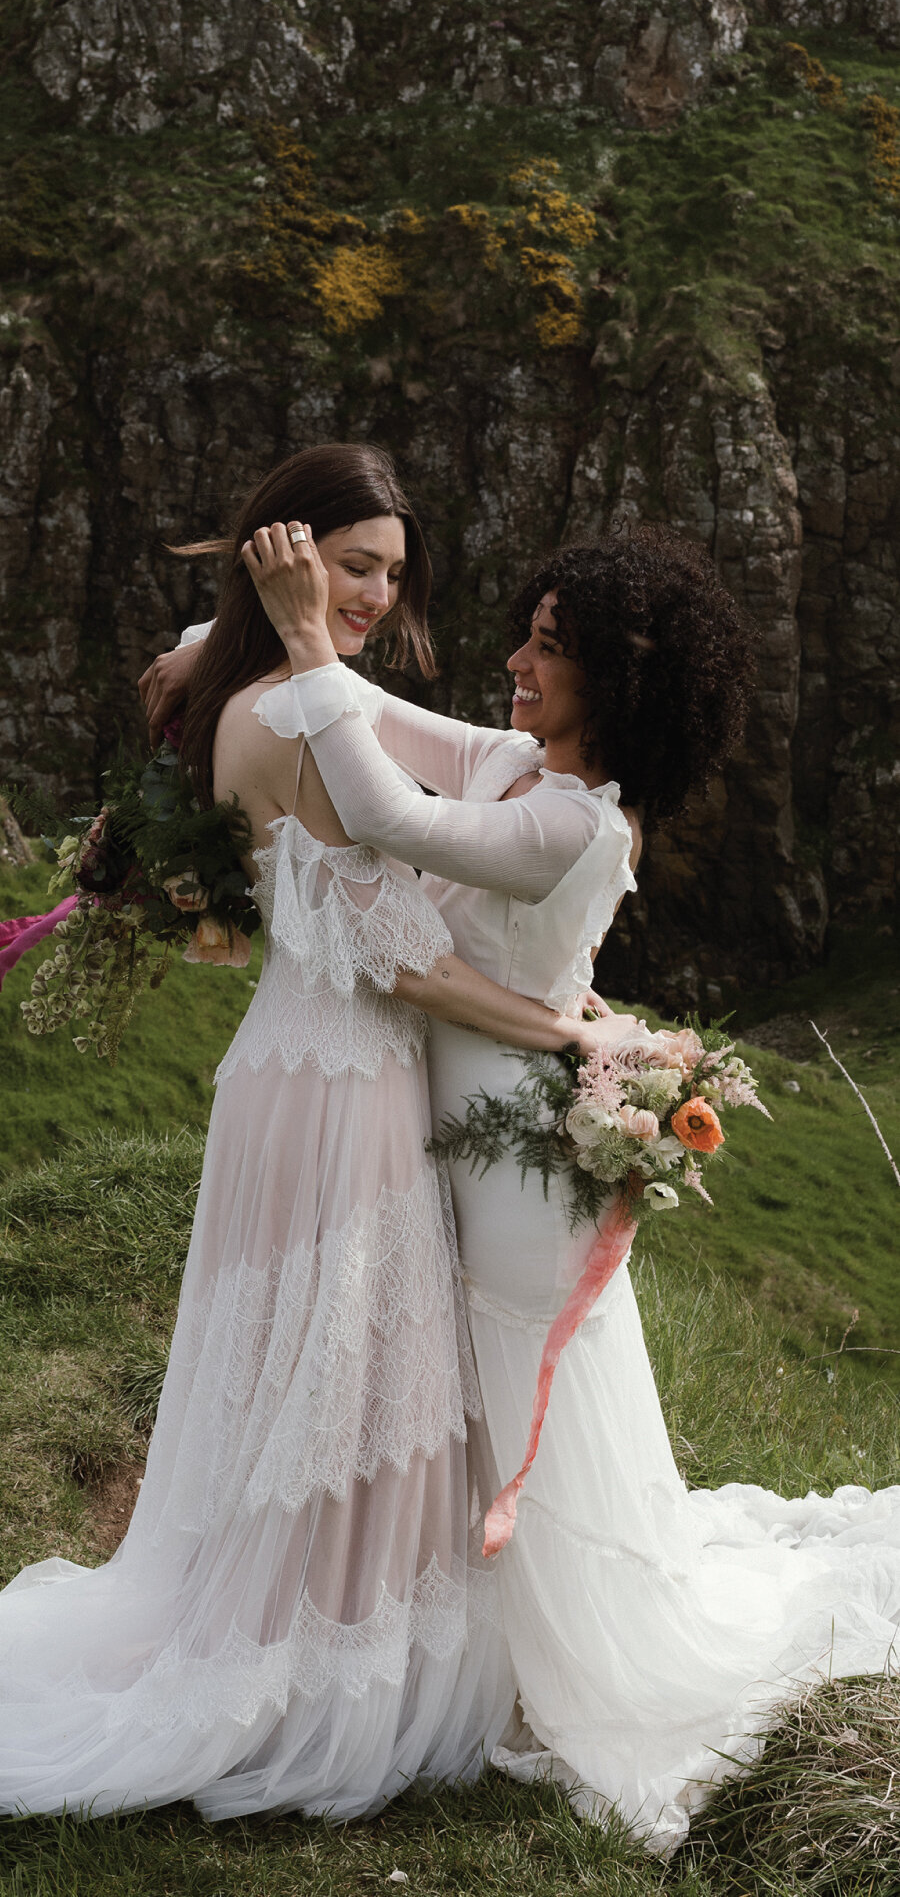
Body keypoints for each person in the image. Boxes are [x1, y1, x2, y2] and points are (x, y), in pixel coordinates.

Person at [201, 513, 900, 1859]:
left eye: (551, 647)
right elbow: (385, 718)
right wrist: (219, 648)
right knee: (473, 1393)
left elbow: (392, 809)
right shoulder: (531, 768)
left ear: (617, 683)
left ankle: (568, 1661)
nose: (518, 659)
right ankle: (478, 1647)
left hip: (514, 1151)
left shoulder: (575, 827)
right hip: (470, 1124)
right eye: (527, 630)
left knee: (520, 1393)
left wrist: (299, 634)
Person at [0, 443, 618, 1825]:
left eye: (392, 576)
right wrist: (572, 1033)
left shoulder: (247, 701)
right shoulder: (303, 719)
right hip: (346, 1092)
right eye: (353, 567)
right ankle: (321, 1661)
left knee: (297, 1374)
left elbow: (471, 758)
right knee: (354, 1382)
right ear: (290, 555)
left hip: (276, 1078)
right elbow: (405, 964)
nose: (375, 598)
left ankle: (280, 1617)